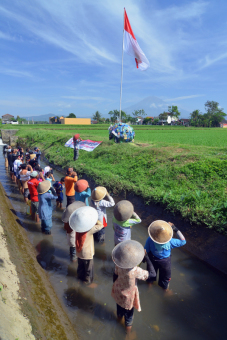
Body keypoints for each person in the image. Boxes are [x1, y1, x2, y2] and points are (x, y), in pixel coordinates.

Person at [111, 240, 155, 336]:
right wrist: (147, 257)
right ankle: (128, 334)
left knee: (119, 312)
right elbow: (153, 275)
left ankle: (118, 322)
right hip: (128, 297)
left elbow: (115, 276)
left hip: (118, 292)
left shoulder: (118, 264)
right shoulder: (135, 270)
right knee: (129, 318)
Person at [144, 220, 186, 292]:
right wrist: (175, 228)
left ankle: (149, 287)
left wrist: (143, 258)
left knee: (151, 274)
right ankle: (165, 290)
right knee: (165, 277)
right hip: (165, 262)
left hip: (152, 259)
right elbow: (183, 241)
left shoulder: (150, 239)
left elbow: (145, 250)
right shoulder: (171, 242)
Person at [69, 206, 103, 284]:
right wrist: (95, 220)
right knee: (89, 269)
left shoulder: (77, 228)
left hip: (79, 252)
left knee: (80, 267)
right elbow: (101, 225)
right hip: (87, 254)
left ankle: (79, 278)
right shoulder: (90, 229)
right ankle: (87, 282)